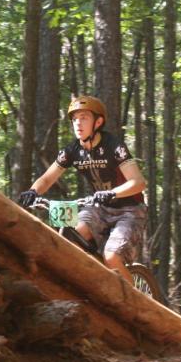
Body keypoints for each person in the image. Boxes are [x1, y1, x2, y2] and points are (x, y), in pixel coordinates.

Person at [17, 95, 147, 283]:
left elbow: (138, 183)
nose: (78, 123)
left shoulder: (114, 146)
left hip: (130, 210)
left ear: (98, 121)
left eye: (84, 118)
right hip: (100, 207)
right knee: (70, 239)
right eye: (75, 119)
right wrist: (33, 192)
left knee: (111, 256)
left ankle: (138, 307)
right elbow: (46, 178)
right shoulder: (72, 151)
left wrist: (112, 193)